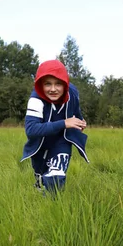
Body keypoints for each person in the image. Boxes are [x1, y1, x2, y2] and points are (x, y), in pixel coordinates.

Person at [20, 59, 88, 194]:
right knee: (41, 178)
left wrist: (80, 121)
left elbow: (75, 110)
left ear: (65, 84)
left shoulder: (72, 93)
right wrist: (64, 123)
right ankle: (41, 194)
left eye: (58, 84)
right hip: (40, 142)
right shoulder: (35, 100)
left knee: (56, 177)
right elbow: (31, 129)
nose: (53, 89)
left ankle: (54, 206)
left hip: (62, 139)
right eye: (47, 84)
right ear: (40, 85)